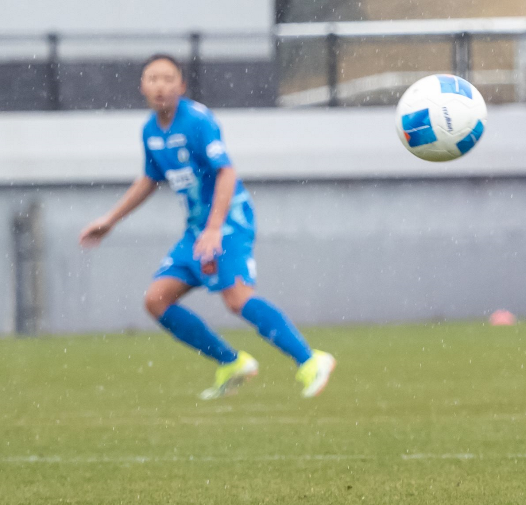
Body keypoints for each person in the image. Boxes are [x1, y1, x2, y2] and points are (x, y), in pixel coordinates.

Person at [79, 54, 336, 399]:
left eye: (168, 78)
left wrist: (215, 228)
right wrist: (109, 220)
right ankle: (232, 362)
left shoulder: (198, 121)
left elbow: (226, 171)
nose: (160, 85)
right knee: (157, 300)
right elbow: (150, 179)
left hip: (228, 221)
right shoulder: (151, 131)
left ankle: (310, 360)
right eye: (152, 78)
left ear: (182, 86)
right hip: (197, 229)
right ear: (142, 86)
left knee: (237, 298)